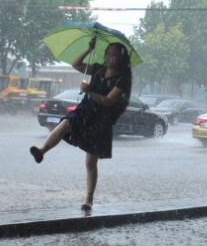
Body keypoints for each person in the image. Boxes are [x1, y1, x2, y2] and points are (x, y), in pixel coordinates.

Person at [29, 36, 132, 211]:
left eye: (115, 55)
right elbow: (76, 65)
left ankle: (88, 199)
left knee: (91, 162)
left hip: (100, 120)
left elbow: (108, 101)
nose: (111, 58)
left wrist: (89, 90)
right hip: (85, 110)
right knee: (65, 124)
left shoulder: (122, 79)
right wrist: (89, 49)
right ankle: (41, 151)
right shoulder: (99, 69)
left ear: (121, 59)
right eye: (109, 54)